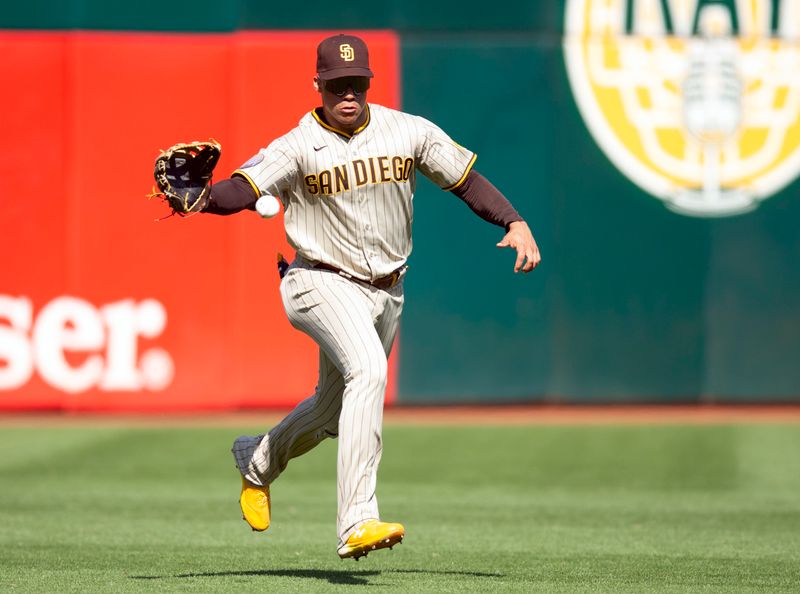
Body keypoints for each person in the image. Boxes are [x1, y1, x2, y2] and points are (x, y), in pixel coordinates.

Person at [203, 33, 541, 560]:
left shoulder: (408, 132)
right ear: (317, 85)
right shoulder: (297, 145)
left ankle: (257, 460)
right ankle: (356, 520)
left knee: (332, 412)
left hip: (386, 291)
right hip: (317, 279)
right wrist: (201, 199)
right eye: (337, 84)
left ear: (368, 82)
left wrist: (514, 221)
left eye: (356, 82)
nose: (348, 93)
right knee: (369, 371)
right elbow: (243, 190)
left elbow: (465, 180)